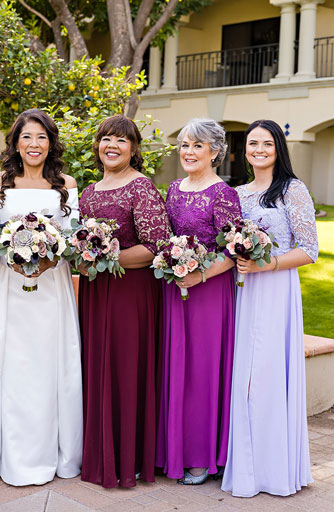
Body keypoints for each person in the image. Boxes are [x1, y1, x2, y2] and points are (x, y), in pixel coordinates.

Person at [0, 109, 82, 486]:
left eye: (41, 137)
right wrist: (13, 258)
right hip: (9, 287)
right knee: (12, 365)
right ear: (15, 143)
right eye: (27, 137)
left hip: (52, 287)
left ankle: (57, 453)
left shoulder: (65, 183)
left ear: (50, 142)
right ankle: (8, 455)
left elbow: (72, 238)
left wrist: (48, 255)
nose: (34, 144)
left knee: (49, 365)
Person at [221, 119, 318, 497]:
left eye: (266, 144)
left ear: (278, 148)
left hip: (276, 289)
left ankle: (275, 469)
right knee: (243, 373)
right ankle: (245, 465)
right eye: (251, 144)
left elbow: (309, 249)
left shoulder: (293, 190)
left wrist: (269, 263)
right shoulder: (238, 193)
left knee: (269, 373)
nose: (258, 150)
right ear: (243, 149)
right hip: (242, 290)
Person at [78, 114, 172, 488]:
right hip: (96, 292)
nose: (111, 146)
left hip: (130, 293)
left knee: (125, 369)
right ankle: (99, 453)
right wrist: (84, 259)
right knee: (96, 366)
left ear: (134, 149)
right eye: (105, 139)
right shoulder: (88, 191)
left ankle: (127, 458)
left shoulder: (141, 188)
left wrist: (104, 258)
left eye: (121, 140)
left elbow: (155, 247)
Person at [157, 119, 240, 484]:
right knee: (174, 366)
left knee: (201, 372)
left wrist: (200, 274)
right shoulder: (174, 188)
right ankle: (171, 449)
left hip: (209, 292)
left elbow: (234, 250)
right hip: (175, 288)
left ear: (215, 152)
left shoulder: (224, 194)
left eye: (196, 146)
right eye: (184, 145)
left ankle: (200, 455)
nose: (188, 152)